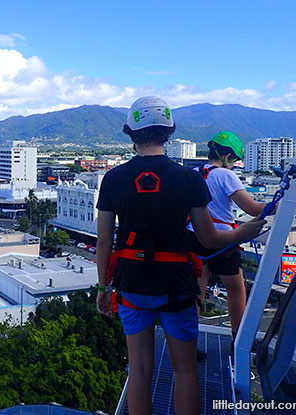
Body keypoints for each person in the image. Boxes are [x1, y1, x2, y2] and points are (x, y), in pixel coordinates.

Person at [95, 96, 264, 415]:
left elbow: (105, 242)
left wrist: (104, 289)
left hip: (132, 284)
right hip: (177, 283)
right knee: (185, 369)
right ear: (168, 132)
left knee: (140, 370)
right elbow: (208, 238)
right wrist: (243, 232)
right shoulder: (188, 178)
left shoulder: (114, 179)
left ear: (131, 134)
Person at [187, 131, 296, 346]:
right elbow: (254, 208)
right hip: (222, 239)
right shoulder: (226, 176)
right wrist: (292, 202)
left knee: (198, 286)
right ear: (227, 157)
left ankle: (189, 341)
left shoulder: (193, 173)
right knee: (236, 287)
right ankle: (239, 341)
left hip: (193, 235)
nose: (234, 165)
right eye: (234, 160)